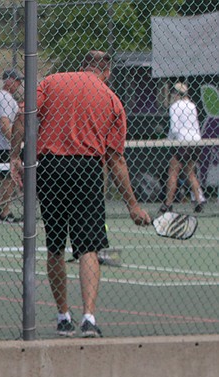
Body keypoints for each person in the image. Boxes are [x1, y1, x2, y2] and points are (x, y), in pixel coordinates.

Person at [10, 51, 151, 339]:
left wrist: (15, 155)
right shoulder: (111, 99)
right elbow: (116, 160)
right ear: (107, 72)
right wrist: (133, 205)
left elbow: (23, 116)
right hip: (87, 168)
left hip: (50, 168)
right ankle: (88, 318)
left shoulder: (51, 82)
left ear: (82, 65)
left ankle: (64, 316)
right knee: (89, 247)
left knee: (55, 246)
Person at [161, 82, 206, 215]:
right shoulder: (192, 106)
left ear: (176, 94)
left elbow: (174, 129)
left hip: (182, 143)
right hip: (195, 142)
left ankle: (168, 204)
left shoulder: (175, 106)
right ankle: (199, 201)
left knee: (173, 172)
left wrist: (169, 141)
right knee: (190, 172)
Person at [0, 69, 22, 222]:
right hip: (5, 147)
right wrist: (16, 143)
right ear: (9, 81)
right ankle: (3, 211)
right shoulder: (5, 98)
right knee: (11, 178)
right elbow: (4, 124)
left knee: (8, 179)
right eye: (17, 81)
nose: (19, 85)